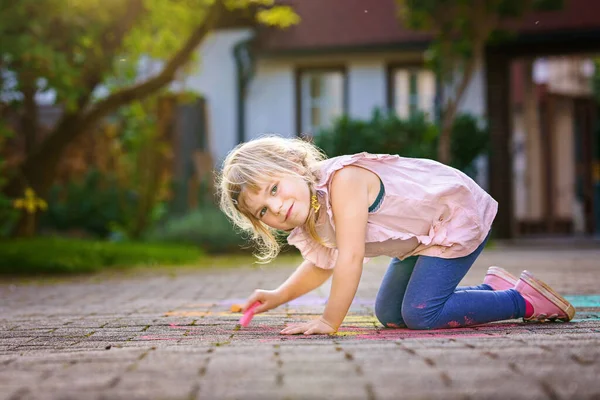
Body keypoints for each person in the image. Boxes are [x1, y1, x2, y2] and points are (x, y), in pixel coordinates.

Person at [217, 135, 575, 335]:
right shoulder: (310, 214)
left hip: (452, 218)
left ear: (295, 165)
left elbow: (351, 258)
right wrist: (278, 296)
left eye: (274, 189)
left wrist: (330, 320)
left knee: (421, 314)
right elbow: (322, 263)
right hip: (419, 241)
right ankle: (490, 291)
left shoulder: (342, 182)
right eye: (263, 210)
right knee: (391, 313)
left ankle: (522, 301)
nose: (276, 208)